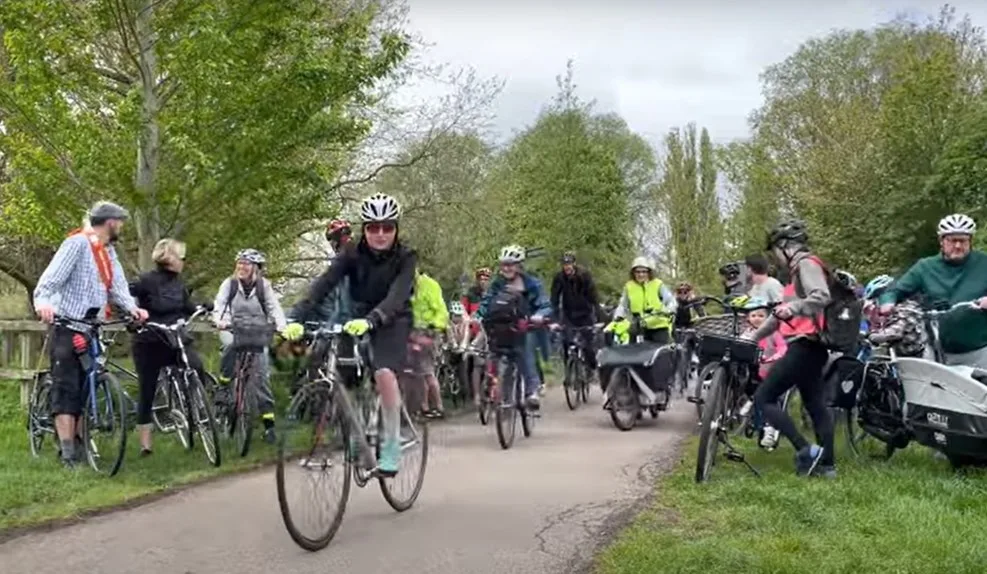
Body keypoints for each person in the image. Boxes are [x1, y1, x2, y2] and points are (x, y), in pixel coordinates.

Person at [289, 193, 415, 475]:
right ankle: (359, 432)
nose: (380, 234)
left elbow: (397, 296)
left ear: (396, 229)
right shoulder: (351, 254)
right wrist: (297, 318)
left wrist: (374, 319)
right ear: (364, 229)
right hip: (356, 316)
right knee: (344, 376)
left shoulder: (406, 256)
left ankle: (392, 445)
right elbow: (323, 285)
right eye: (373, 227)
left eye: (387, 227)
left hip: (393, 318)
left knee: (384, 372)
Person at [33, 201, 149, 468]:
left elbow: (118, 287)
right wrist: (44, 303)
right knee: (66, 389)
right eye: (120, 222)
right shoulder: (76, 244)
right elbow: (50, 280)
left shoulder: (109, 252)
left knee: (87, 388)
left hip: (91, 328)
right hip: (68, 325)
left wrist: (133, 309)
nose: (121, 227)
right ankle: (67, 452)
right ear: (110, 222)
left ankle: (80, 441)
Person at [748, 219, 835, 478]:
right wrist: (754, 336)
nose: (775, 258)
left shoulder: (806, 265)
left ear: (786, 246)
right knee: (815, 405)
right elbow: (779, 317)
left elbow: (821, 296)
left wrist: (794, 307)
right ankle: (827, 466)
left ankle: (805, 450)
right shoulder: (795, 275)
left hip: (805, 345)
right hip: (812, 347)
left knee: (764, 398)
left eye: (776, 250)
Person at [129, 238, 207, 456]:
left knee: (196, 366)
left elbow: (188, 307)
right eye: (181, 257)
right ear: (169, 258)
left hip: (175, 340)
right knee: (148, 389)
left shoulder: (179, 284)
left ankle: (198, 411)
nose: (183, 261)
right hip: (150, 342)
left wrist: (204, 308)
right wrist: (132, 318)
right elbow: (128, 299)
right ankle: (146, 445)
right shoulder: (145, 281)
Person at [879, 214, 987, 368]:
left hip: (980, 349)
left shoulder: (983, 264)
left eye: (962, 240)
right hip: (938, 351)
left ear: (970, 241)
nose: (957, 246)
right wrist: (888, 302)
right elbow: (897, 289)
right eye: (952, 240)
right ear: (941, 241)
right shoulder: (925, 267)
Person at [212, 248, 297, 444]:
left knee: (261, 380)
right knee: (230, 346)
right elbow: (220, 304)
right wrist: (219, 320)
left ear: (256, 268)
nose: (241, 267)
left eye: (246, 263)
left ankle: (269, 427)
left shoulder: (263, 286)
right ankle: (224, 384)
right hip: (232, 328)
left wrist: (282, 328)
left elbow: (274, 307)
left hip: (257, 331)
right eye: (239, 263)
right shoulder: (230, 284)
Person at [475, 244, 552, 409]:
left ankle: (532, 391)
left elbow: (545, 304)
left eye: (510, 264)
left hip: (525, 326)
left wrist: (539, 315)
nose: (506, 268)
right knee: (493, 353)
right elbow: (487, 302)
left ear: (519, 265)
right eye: (503, 264)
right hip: (502, 326)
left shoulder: (531, 284)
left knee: (526, 352)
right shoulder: (498, 284)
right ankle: (494, 386)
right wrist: (478, 316)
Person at [742, 297, 787, 450]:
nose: (757, 319)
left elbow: (782, 348)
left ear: (767, 318)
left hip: (770, 373)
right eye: (753, 315)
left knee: (769, 402)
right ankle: (758, 422)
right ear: (748, 318)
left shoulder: (773, 333)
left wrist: (773, 358)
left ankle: (770, 429)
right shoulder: (747, 334)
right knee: (755, 397)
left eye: (761, 316)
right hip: (753, 373)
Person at [607, 256, 677, 345]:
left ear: (649, 272)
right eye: (638, 272)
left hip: (658, 326)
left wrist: (669, 310)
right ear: (633, 273)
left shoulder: (657, 284)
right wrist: (618, 316)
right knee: (634, 353)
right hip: (637, 326)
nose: (641, 274)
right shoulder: (629, 286)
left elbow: (670, 300)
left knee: (662, 353)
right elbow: (623, 305)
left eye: (644, 272)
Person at [550, 250, 601, 372]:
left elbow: (594, 297)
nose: (566, 267)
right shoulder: (559, 278)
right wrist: (555, 319)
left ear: (574, 264)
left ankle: (591, 368)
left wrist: (598, 316)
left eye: (569, 264)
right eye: (564, 264)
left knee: (588, 345)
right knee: (566, 342)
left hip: (585, 313)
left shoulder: (584, 276)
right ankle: (569, 371)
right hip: (568, 314)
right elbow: (554, 299)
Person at [409, 268, 449, 418]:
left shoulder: (430, 285)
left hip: (429, 333)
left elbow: (441, 311)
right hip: (412, 333)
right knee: (416, 372)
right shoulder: (406, 286)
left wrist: (434, 326)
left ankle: (438, 406)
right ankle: (422, 406)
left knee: (427, 371)